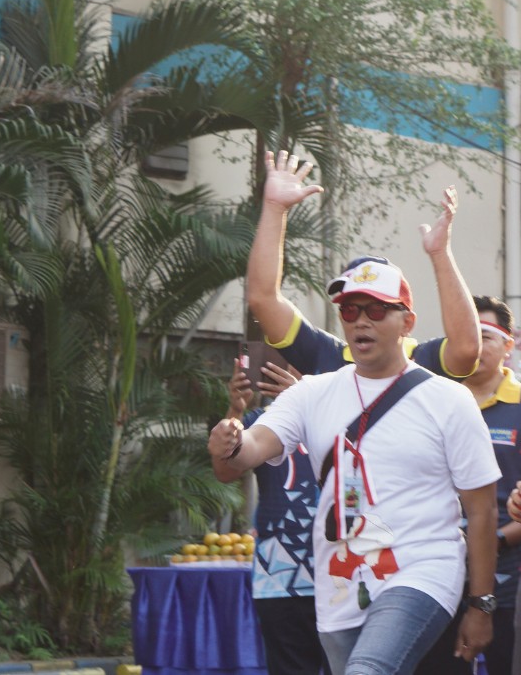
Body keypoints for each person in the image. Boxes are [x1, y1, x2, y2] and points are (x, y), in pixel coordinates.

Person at [211, 150, 499, 675]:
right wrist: (274, 209)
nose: (360, 320)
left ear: (405, 321)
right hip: (342, 582)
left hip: (423, 573)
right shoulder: (320, 370)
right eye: (349, 309)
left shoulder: (430, 377)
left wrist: (439, 253)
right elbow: (262, 299)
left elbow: (466, 350)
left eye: (375, 309)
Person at [418, 296, 521, 675]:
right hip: (441, 570)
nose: (474, 345)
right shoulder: (435, 401)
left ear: (508, 345)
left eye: (485, 336)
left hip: (509, 575)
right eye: (467, 335)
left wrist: (494, 540)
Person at [223, 357, 325, 675]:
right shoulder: (260, 421)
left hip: (343, 577)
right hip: (279, 577)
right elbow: (225, 471)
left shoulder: (344, 415)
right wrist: (235, 410)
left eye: (305, 360)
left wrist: (308, 401)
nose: (296, 371)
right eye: (291, 362)